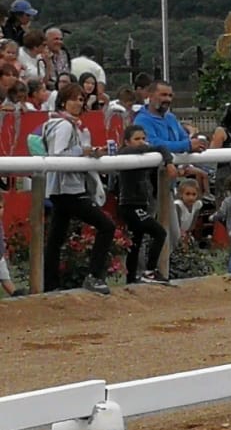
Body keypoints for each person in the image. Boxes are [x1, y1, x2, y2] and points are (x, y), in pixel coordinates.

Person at [41, 82, 115, 295]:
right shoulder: (64, 125)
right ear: (64, 101)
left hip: (61, 189)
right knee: (106, 226)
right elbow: (58, 155)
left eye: (81, 99)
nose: (78, 103)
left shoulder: (67, 124)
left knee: (56, 237)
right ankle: (93, 276)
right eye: (74, 99)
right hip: (69, 189)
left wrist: (88, 152)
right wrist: (85, 151)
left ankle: (49, 285)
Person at [114, 122, 173, 284]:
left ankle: (131, 278)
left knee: (136, 242)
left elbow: (160, 148)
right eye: (137, 139)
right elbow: (156, 147)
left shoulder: (142, 154)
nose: (142, 142)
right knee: (159, 233)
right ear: (127, 141)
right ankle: (149, 271)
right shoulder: (124, 153)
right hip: (129, 206)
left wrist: (168, 161)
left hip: (140, 204)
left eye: (143, 138)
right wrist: (158, 153)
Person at [134, 78, 210, 196]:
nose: (167, 99)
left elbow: (184, 138)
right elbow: (153, 143)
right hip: (149, 184)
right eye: (163, 95)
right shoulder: (141, 120)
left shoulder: (171, 118)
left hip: (170, 182)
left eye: (170, 96)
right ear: (150, 95)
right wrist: (188, 145)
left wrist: (193, 144)